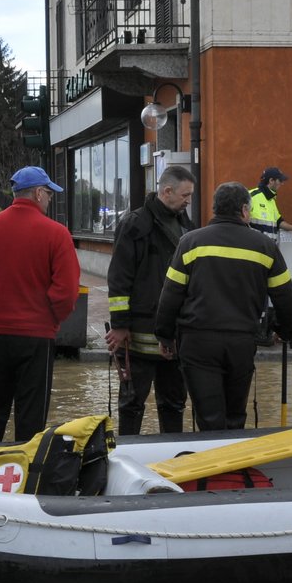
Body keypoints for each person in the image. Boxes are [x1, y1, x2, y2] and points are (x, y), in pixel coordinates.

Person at [155, 182, 292, 431]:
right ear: (244, 210)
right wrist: (283, 330)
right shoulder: (265, 247)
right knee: (234, 415)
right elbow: (285, 298)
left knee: (208, 417)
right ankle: (235, 465)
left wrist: (165, 336)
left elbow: (170, 296)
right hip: (241, 343)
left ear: (215, 210)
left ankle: (210, 465)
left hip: (197, 342)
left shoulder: (190, 243)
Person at [0, 166, 81, 443]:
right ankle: (26, 477)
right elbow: (66, 291)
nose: (49, 200)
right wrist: (50, 319)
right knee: (31, 417)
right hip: (36, 337)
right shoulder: (57, 233)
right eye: (48, 194)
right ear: (38, 193)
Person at [104, 164, 195, 436]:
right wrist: (120, 326)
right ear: (167, 191)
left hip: (173, 334)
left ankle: (174, 457)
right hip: (137, 337)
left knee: (174, 403)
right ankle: (128, 455)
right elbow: (119, 278)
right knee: (131, 403)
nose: (189, 201)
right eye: (185, 195)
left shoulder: (185, 224)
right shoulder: (135, 224)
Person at [249, 166, 292, 244]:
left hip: (269, 248)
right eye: (280, 180)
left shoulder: (271, 200)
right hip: (255, 248)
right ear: (271, 180)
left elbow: (279, 222)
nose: (282, 183)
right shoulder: (251, 196)